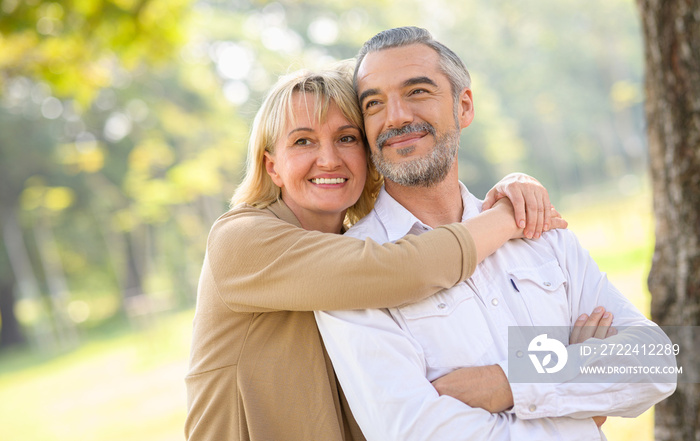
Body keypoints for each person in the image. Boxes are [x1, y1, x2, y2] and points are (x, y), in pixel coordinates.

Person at [315, 26, 676, 440]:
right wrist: (579, 405)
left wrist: (506, 383)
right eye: (374, 103)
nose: (396, 116)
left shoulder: (537, 229)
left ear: (463, 106)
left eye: (417, 92)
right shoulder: (352, 270)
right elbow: (417, 433)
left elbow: (657, 360)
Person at [184, 64, 567, 441]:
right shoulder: (241, 239)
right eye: (303, 141)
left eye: (347, 138)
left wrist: (548, 379)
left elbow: (622, 364)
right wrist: (509, 215)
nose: (329, 158)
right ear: (272, 167)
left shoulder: (366, 248)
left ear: (370, 156)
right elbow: (405, 269)